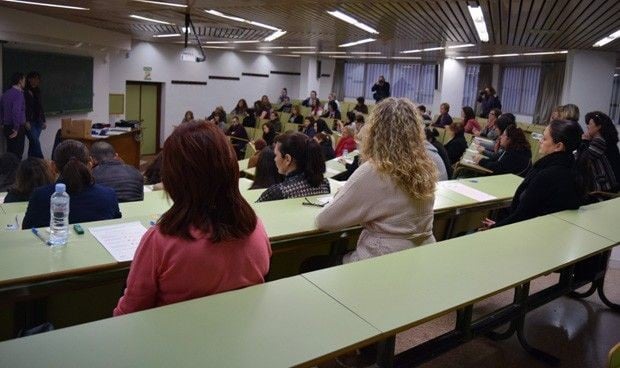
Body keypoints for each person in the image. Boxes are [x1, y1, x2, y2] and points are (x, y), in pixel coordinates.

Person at [114, 122, 271, 315]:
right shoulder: (257, 228)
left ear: (174, 178)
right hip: (240, 337)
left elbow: (129, 314)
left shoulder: (160, 241)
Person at [316, 97, 436, 263]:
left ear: (375, 131)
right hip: (419, 257)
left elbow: (324, 221)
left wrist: (341, 197)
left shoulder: (374, 171)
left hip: (382, 261)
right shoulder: (426, 167)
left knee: (311, 264)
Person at [481, 120, 584, 229]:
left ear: (558, 146)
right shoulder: (574, 169)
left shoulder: (546, 175)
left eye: (544, 138)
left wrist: (496, 227)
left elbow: (523, 215)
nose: (540, 141)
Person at [22, 140, 122, 229]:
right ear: (90, 164)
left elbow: (26, 229)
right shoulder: (109, 195)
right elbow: (116, 226)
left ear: (53, 167)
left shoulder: (40, 196)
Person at [256, 132, 330, 202]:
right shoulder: (324, 184)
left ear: (287, 159)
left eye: (276, 155)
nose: (274, 159)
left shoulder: (277, 192)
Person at [577, 111, 620, 193]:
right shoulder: (605, 140)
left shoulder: (599, 141)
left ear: (598, 127)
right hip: (610, 182)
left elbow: (583, 160)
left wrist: (584, 141)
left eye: (590, 124)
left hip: (605, 187)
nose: (587, 126)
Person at [0, 72, 27, 160]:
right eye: (24, 80)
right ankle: (16, 173)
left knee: (10, 152)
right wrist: (16, 128)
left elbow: (1, 110)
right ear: (20, 81)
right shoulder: (19, 94)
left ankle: (8, 172)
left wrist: (2, 123)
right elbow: (16, 112)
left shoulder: (6, 94)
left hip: (7, 126)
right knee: (18, 153)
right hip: (17, 127)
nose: (24, 82)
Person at [24, 72, 46, 159]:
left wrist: (43, 120)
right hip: (30, 121)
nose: (37, 81)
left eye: (38, 79)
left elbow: (40, 106)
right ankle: (41, 160)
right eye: (35, 78)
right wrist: (26, 120)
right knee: (35, 141)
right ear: (29, 79)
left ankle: (31, 161)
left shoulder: (38, 91)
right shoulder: (25, 92)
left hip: (38, 121)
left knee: (33, 142)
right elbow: (24, 107)